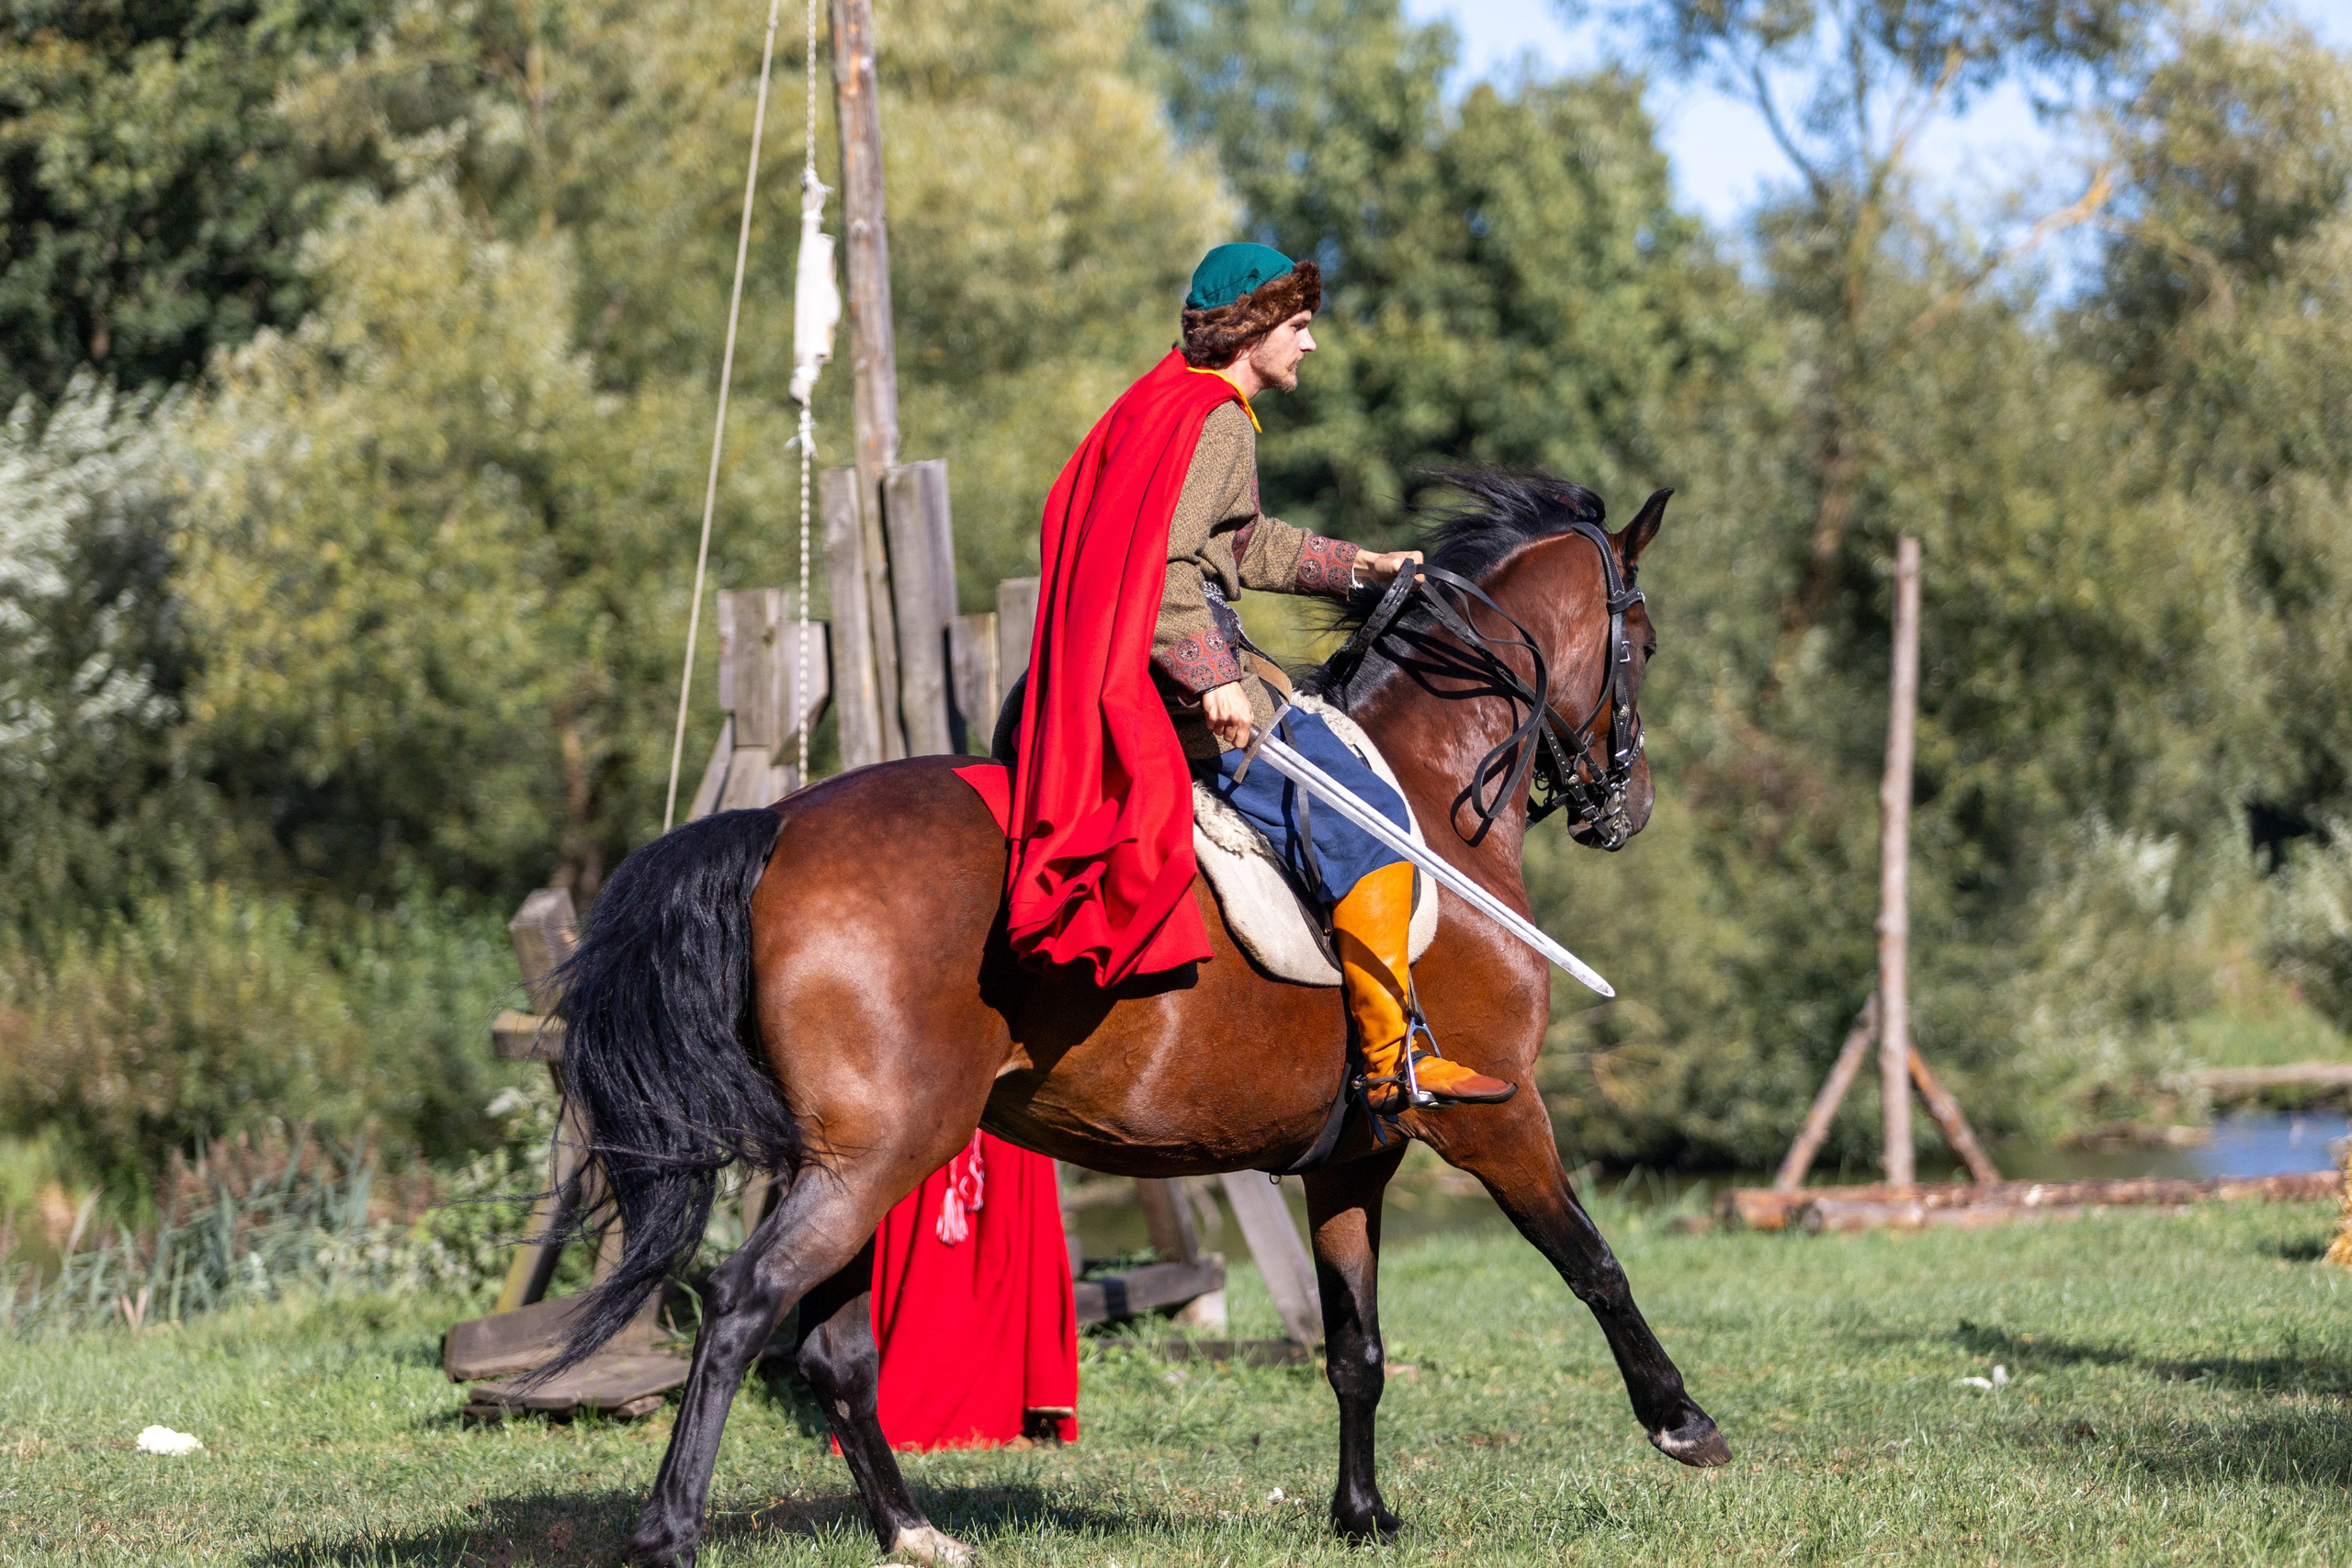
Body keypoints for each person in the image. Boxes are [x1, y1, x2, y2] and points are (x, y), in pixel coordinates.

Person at [1001, 243, 1513, 1112]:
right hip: (1172, 683)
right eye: (1301, 326)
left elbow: (1236, 540)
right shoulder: (1216, 417)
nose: (1309, 345)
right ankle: (1394, 1063)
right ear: (1254, 327)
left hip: (1123, 665)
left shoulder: (1164, 401)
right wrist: (1213, 677)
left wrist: (1360, 567)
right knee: (1371, 817)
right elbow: (1165, 562)